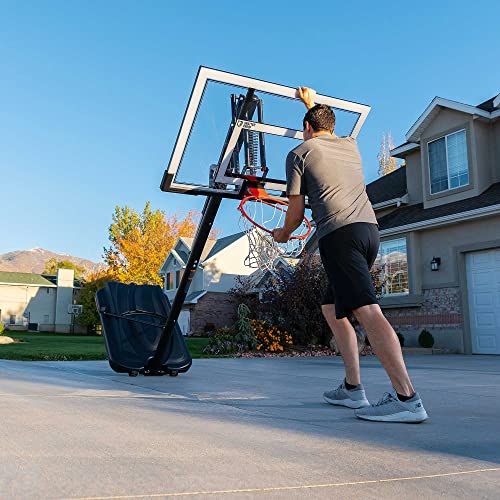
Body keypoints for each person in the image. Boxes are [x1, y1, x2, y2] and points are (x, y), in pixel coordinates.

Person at [272, 87, 428, 423]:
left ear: (307, 128)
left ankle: (407, 399)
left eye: (304, 128)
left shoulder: (299, 153)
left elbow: (296, 215)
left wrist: (281, 234)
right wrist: (312, 106)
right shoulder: (349, 146)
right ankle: (352, 388)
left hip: (338, 236)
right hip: (368, 232)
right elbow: (324, 128)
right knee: (332, 307)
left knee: (369, 312)